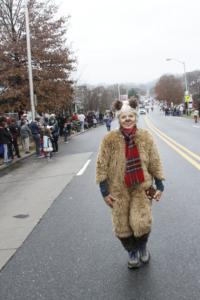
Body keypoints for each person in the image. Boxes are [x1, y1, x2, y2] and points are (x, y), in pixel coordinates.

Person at [96, 99, 165, 269]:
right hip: (118, 189)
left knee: (141, 222)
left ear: (135, 117)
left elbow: (155, 161)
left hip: (142, 187)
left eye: (130, 116)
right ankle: (131, 251)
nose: (127, 119)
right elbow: (101, 164)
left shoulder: (145, 137)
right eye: (123, 117)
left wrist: (159, 184)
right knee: (122, 226)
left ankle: (142, 247)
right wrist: (104, 191)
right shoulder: (109, 139)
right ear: (118, 119)